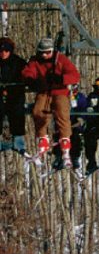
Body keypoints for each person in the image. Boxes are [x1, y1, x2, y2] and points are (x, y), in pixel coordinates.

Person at [22, 37, 80, 166]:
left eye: (47, 52)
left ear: (52, 51)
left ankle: (65, 140)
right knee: (38, 111)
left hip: (59, 91)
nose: (44, 55)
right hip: (44, 90)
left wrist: (61, 78)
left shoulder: (61, 59)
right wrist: (31, 80)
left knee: (62, 112)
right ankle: (43, 136)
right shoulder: (35, 60)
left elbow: (75, 75)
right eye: (42, 52)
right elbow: (28, 71)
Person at [0, 37, 27, 154]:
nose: (3, 53)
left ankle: (18, 141)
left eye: (6, 51)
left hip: (15, 92)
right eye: (1, 51)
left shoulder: (18, 62)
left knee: (17, 109)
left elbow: (27, 74)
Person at [52, 84, 89, 170]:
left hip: (75, 123)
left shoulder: (80, 97)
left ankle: (74, 159)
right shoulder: (61, 96)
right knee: (59, 138)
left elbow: (84, 108)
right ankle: (58, 158)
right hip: (62, 123)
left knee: (75, 138)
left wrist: (81, 118)